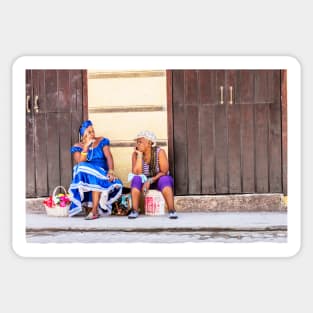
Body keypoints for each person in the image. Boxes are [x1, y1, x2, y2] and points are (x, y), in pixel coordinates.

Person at [68, 120, 123, 219]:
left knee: (95, 176)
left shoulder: (102, 141)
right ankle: (92, 209)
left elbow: (109, 157)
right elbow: (80, 162)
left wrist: (111, 171)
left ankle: (94, 211)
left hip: (102, 172)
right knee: (79, 168)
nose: (92, 133)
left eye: (93, 131)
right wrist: (85, 147)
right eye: (89, 132)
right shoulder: (77, 147)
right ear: (83, 135)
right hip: (88, 174)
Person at [128, 130, 178, 219]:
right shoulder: (135, 154)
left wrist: (150, 180)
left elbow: (164, 171)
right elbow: (136, 173)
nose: (138, 144)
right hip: (143, 181)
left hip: (158, 179)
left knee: (165, 179)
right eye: (137, 142)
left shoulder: (160, 152)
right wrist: (139, 156)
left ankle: (172, 210)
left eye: (140, 142)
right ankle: (134, 210)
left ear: (149, 143)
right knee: (136, 179)